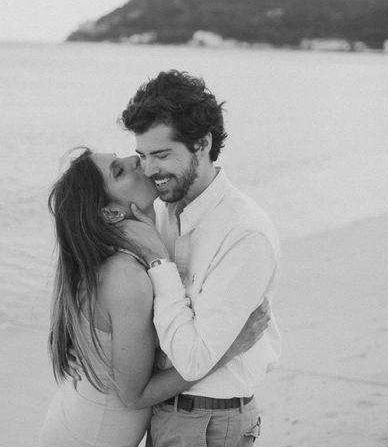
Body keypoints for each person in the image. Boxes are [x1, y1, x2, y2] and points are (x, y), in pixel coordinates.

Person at [38, 148, 271, 447]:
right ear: (110, 213)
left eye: (123, 158)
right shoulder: (126, 277)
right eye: (118, 171)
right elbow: (135, 395)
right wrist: (228, 349)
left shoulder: (120, 259)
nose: (134, 160)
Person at [119, 70, 282, 446]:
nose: (148, 171)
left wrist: (158, 261)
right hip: (167, 412)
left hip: (210, 420)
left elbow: (192, 360)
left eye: (161, 155)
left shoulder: (244, 233)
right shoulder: (162, 213)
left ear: (203, 143)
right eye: (142, 156)